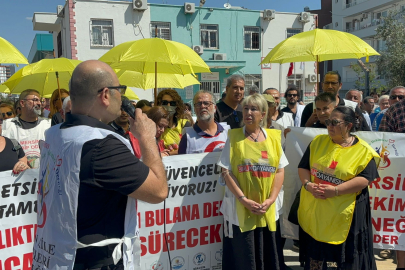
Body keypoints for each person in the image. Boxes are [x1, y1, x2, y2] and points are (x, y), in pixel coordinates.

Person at [32, 60, 168, 270]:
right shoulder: (101, 145)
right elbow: (158, 191)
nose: (122, 98)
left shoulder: (56, 133)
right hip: (96, 260)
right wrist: (147, 138)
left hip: (59, 254)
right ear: (105, 95)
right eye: (119, 90)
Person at [298, 106, 380, 270]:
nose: (330, 126)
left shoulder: (363, 151)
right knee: (316, 252)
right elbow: (303, 167)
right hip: (318, 210)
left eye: (335, 122)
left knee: (344, 255)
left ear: (349, 125)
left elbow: (365, 179)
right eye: (328, 122)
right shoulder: (318, 142)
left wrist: (336, 191)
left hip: (346, 213)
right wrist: (308, 185)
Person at [218, 94, 288, 270]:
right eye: (246, 108)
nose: (248, 112)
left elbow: (280, 169)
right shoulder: (233, 137)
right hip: (241, 208)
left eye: (254, 109)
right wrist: (243, 199)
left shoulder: (273, 137)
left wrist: (271, 200)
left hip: (267, 208)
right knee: (244, 257)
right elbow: (226, 171)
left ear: (263, 114)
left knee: (268, 254)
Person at [300, 71, 370, 131]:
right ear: (322, 85)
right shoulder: (311, 108)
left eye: (333, 83)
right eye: (327, 83)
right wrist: (309, 122)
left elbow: (365, 133)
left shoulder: (352, 107)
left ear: (340, 85)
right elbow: (299, 135)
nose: (330, 86)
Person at [1, 89, 51, 169]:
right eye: (35, 100)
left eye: (40, 100)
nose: (39, 103)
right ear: (22, 103)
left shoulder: (48, 125)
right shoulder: (7, 125)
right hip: (16, 178)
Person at [156, 89, 191, 155]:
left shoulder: (184, 124)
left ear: (177, 106)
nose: (168, 106)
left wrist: (169, 153)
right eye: (165, 103)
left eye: (172, 103)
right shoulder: (153, 125)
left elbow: (189, 148)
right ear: (159, 104)